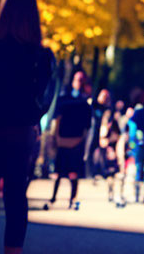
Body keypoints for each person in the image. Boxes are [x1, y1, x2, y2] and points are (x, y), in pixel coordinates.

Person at [0, 0, 55, 253]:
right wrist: (34, 120)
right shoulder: (40, 57)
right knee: (17, 197)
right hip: (21, 133)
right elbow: (45, 97)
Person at [47, 70, 92, 211]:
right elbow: (56, 119)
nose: (80, 83)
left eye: (82, 80)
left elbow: (87, 128)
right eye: (78, 80)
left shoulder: (85, 104)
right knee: (59, 172)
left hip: (76, 142)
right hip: (62, 140)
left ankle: (72, 199)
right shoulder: (63, 99)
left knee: (73, 173)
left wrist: (84, 146)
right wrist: (54, 139)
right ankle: (53, 198)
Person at [127, 91, 144, 203]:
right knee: (139, 166)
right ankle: (138, 194)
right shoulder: (139, 111)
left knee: (142, 166)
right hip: (139, 142)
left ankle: (140, 194)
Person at [85, 88, 111, 181]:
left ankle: (99, 171)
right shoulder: (94, 104)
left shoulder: (106, 109)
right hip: (91, 132)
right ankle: (87, 173)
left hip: (100, 133)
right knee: (89, 152)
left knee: (100, 153)